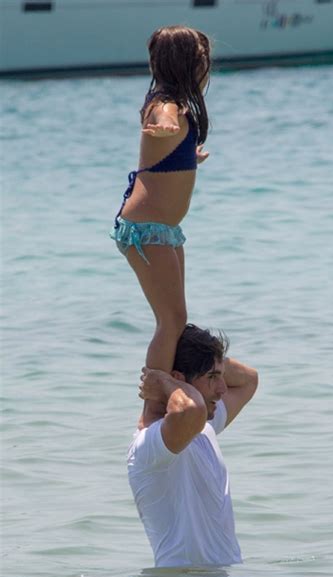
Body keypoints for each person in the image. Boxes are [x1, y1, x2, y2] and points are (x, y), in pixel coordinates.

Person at [110, 26, 211, 425]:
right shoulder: (163, 105)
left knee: (177, 319)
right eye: (202, 59)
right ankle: (150, 414)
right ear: (188, 63)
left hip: (163, 230)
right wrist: (168, 125)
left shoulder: (180, 105)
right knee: (169, 321)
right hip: (144, 229)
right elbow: (160, 120)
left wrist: (188, 154)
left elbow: (164, 156)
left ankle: (169, 393)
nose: (206, 65)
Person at [128, 324, 258, 568]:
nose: (222, 389)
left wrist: (211, 359)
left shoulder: (204, 428)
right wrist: (166, 382)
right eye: (211, 377)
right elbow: (190, 410)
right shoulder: (150, 445)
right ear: (179, 382)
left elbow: (248, 380)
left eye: (221, 376)